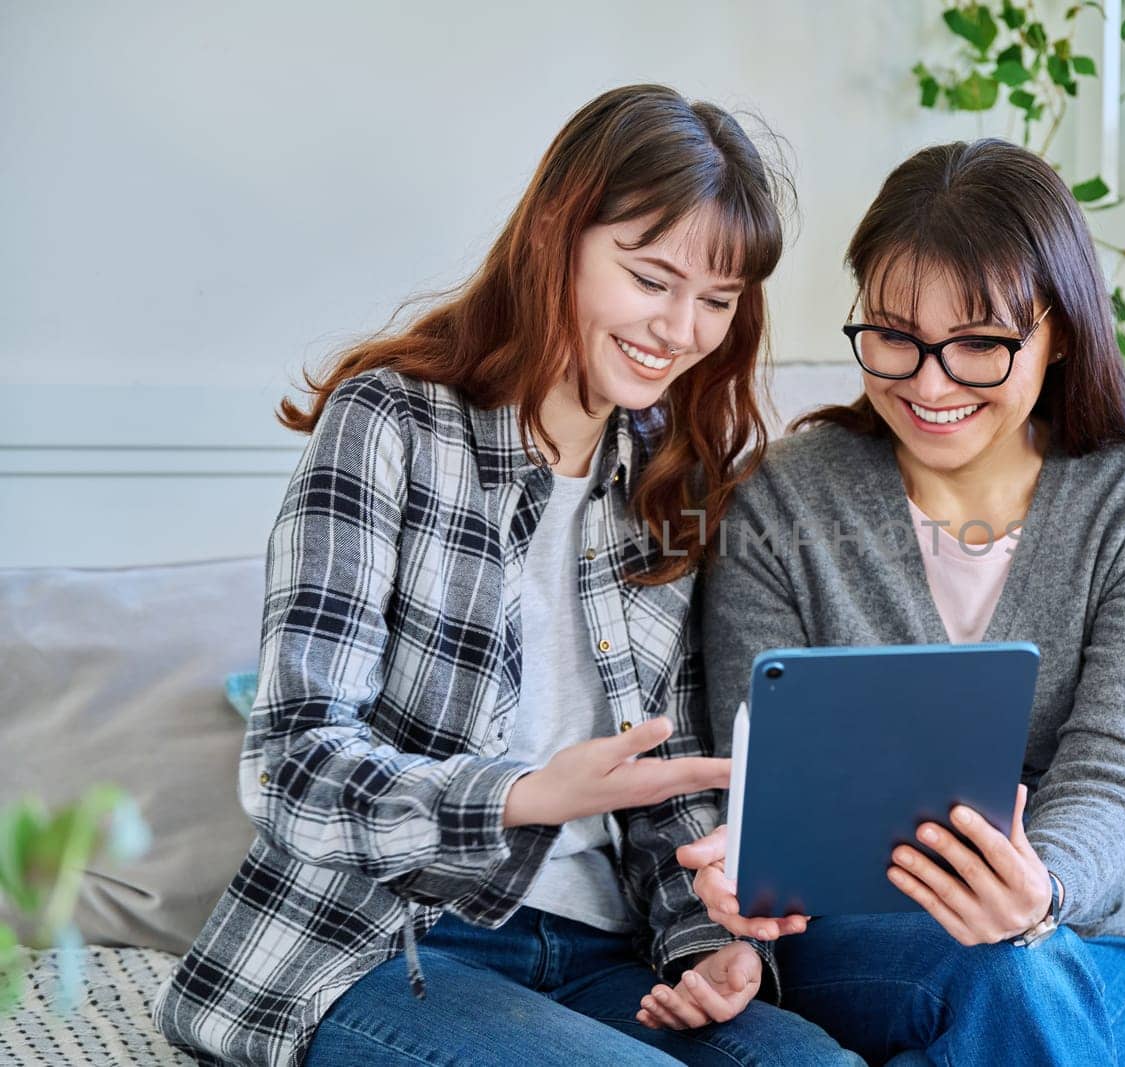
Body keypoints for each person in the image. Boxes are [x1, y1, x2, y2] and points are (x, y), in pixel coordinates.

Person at [153, 84, 855, 1067]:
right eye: (651, 278)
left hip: (602, 951)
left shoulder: (673, 475)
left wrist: (713, 943)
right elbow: (292, 766)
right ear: (555, 238)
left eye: (718, 299)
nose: (681, 328)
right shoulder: (390, 424)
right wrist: (520, 792)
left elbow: (667, 784)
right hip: (379, 943)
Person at [639, 138, 1125, 1065]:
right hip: (858, 939)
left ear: (1060, 329)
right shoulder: (785, 499)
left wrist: (1035, 895)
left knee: (1015, 966)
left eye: (980, 345)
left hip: (1084, 937)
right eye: (895, 337)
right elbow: (757, 757)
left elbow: (1115, 765)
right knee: (998, 973)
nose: (930, 382)